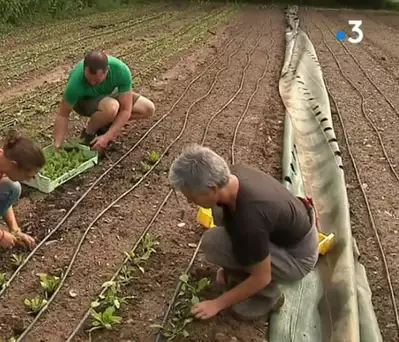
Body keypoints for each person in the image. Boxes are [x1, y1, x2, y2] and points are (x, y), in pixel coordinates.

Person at [168, 144, 319, 321]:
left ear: (213, 188)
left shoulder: (249, 220)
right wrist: (228, 266)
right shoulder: (233, 176)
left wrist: (217, 304)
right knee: (218, 212)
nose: (189, 201)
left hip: (297, 258)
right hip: (292, 230)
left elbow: (262, 277)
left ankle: (269, 297)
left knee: (215, 243)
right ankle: (244, 263)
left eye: (193, 197)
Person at [53, 50, 155, 153]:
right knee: (111, 107)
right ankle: (88, 134)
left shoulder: (121, 71)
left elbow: (126, 110)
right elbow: (63, 114)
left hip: (108, 94)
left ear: (107, 70)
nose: (92, 83)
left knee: (147, 108)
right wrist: (58, 144)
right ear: (84, 70)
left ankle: (105, 124)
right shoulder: (76, 82)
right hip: (84, 101)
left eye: (97, 80)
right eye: (89, 79)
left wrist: (107, 137)